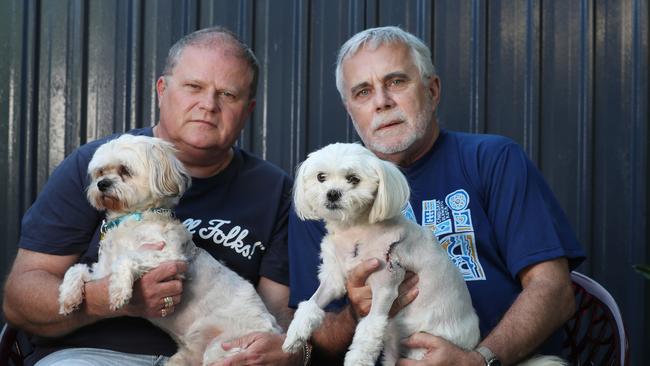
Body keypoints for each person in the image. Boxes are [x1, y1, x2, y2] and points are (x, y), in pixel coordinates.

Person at [3, 26, 302, 366]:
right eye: (194, 86)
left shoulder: (276, 190)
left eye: (228, 95)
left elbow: (276, 311)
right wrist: (108, 299)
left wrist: (291, 352)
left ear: (247, 111)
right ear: (162, 89)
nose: (208, 105)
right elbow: (19, 299)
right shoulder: (97, 165)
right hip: (94, 355)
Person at [288, 26, 586, 365]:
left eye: (396, 82)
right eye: (363, 92)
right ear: (350, 110)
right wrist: (356, 312)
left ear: (433, 89)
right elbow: (318, 342)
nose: (382, 102)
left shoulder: (493, 160)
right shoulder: (326, 195)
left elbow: (554, 291)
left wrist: (477, 360)